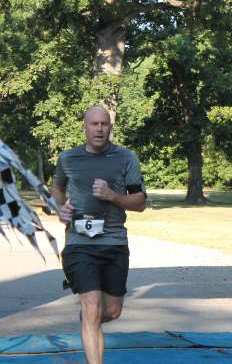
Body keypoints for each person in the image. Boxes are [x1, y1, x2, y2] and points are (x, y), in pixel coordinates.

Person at [51, 106, 146, 364]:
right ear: (84, 127)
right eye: (94, 124)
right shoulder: (68, 158)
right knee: (92, 308)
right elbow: (56, 189)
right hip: (79, 245)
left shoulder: (126, 158)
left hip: (114, 243)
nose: (99, 129)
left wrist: (113, 196)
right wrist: (60, 209)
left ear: (110, 128)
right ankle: (90, 323)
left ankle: (89, 321)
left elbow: (140, 202)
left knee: (112, 311)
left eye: (104, 124)